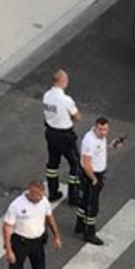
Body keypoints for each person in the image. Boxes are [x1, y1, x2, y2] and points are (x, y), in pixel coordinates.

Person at [0, 180, 62, 269]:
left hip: (37, 242)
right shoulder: (16, 205)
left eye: (42, 194)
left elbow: (49, 218)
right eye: (38, 195)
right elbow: (7, 227)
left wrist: (56, 236)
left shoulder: (43, 201)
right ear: (30, 192)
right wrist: (9, 250)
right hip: (20, 243)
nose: (40, 197)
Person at [75, 117, 124, 245]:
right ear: (95, 127)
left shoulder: (100, 138)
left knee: (85, 201)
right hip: (91, 175)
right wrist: (94, 179)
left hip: (95, 173)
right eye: (100, 129)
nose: (103, 132)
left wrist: (112, 145)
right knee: (92, 205)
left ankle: (80, 225)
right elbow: (86, 163)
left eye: (105, 129)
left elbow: (99, 150)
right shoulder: (90, 140)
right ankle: (89, 234)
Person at [42, 69, 82, 205]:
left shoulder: (46, 96)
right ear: (62, 81)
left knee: (52, 163)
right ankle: (74, 196)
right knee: (75, 163)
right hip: (64, 135)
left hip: (50, 132)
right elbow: (77, 117)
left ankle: (53, 192)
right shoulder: (66, 100)